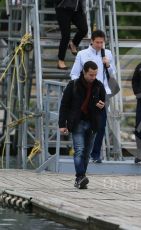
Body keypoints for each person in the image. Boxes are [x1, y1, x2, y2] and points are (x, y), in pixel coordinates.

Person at [70, 30, 116, 163]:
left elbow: (113, 74)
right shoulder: (82, 54)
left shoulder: (107, 53)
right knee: (86, 123)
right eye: (97, 42)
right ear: (92, 41)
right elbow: (74, 74)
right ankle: (84, 152)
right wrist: (80, 87)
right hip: (87, 93)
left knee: (101, 125)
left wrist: (108, 64)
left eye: (102, 42)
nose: (99, 45)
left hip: (103, 92)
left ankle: (95, 154)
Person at [59, 61, 106, 189]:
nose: (93, 77)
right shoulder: (73, 85)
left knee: (87, 153)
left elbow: (102, 102)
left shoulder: (98, 86)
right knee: (79, 150)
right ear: (84, 72)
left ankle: (81, 177)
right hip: (77, 122)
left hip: (92, 123)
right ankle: (80, 176)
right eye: (91, 74)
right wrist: (62, 124)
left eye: (95, 75)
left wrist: (101, 105)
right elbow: (64, 105)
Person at [55, 0, 88, 70]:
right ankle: (60, 60)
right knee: (66, 35)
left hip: (77, 9)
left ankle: (73, 44)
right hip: (63, 8)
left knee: (84, 29)